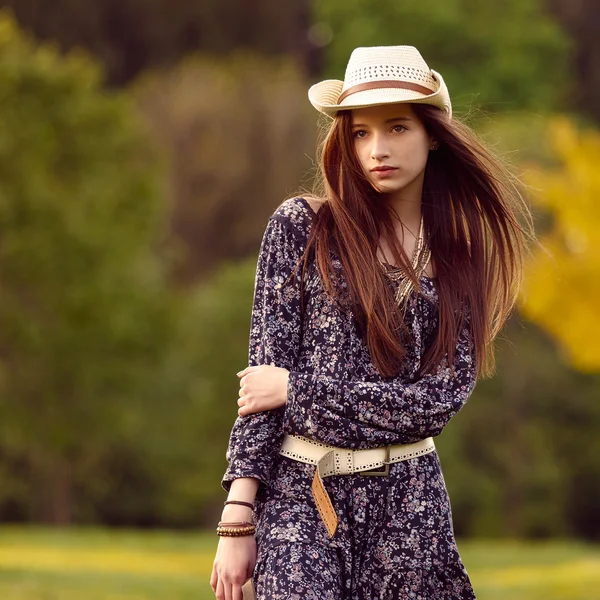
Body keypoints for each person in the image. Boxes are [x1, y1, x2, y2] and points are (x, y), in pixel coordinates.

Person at [210, 45, 533, 600]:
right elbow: (258, 389)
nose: (377, 149)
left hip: (409, 504)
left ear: (432, 133)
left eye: (397, 127)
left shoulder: (462, 255)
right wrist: (238, 513)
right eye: (360, 132)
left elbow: (433, 404)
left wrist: (296, 391)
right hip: (299, 494)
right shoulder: (301, 229)